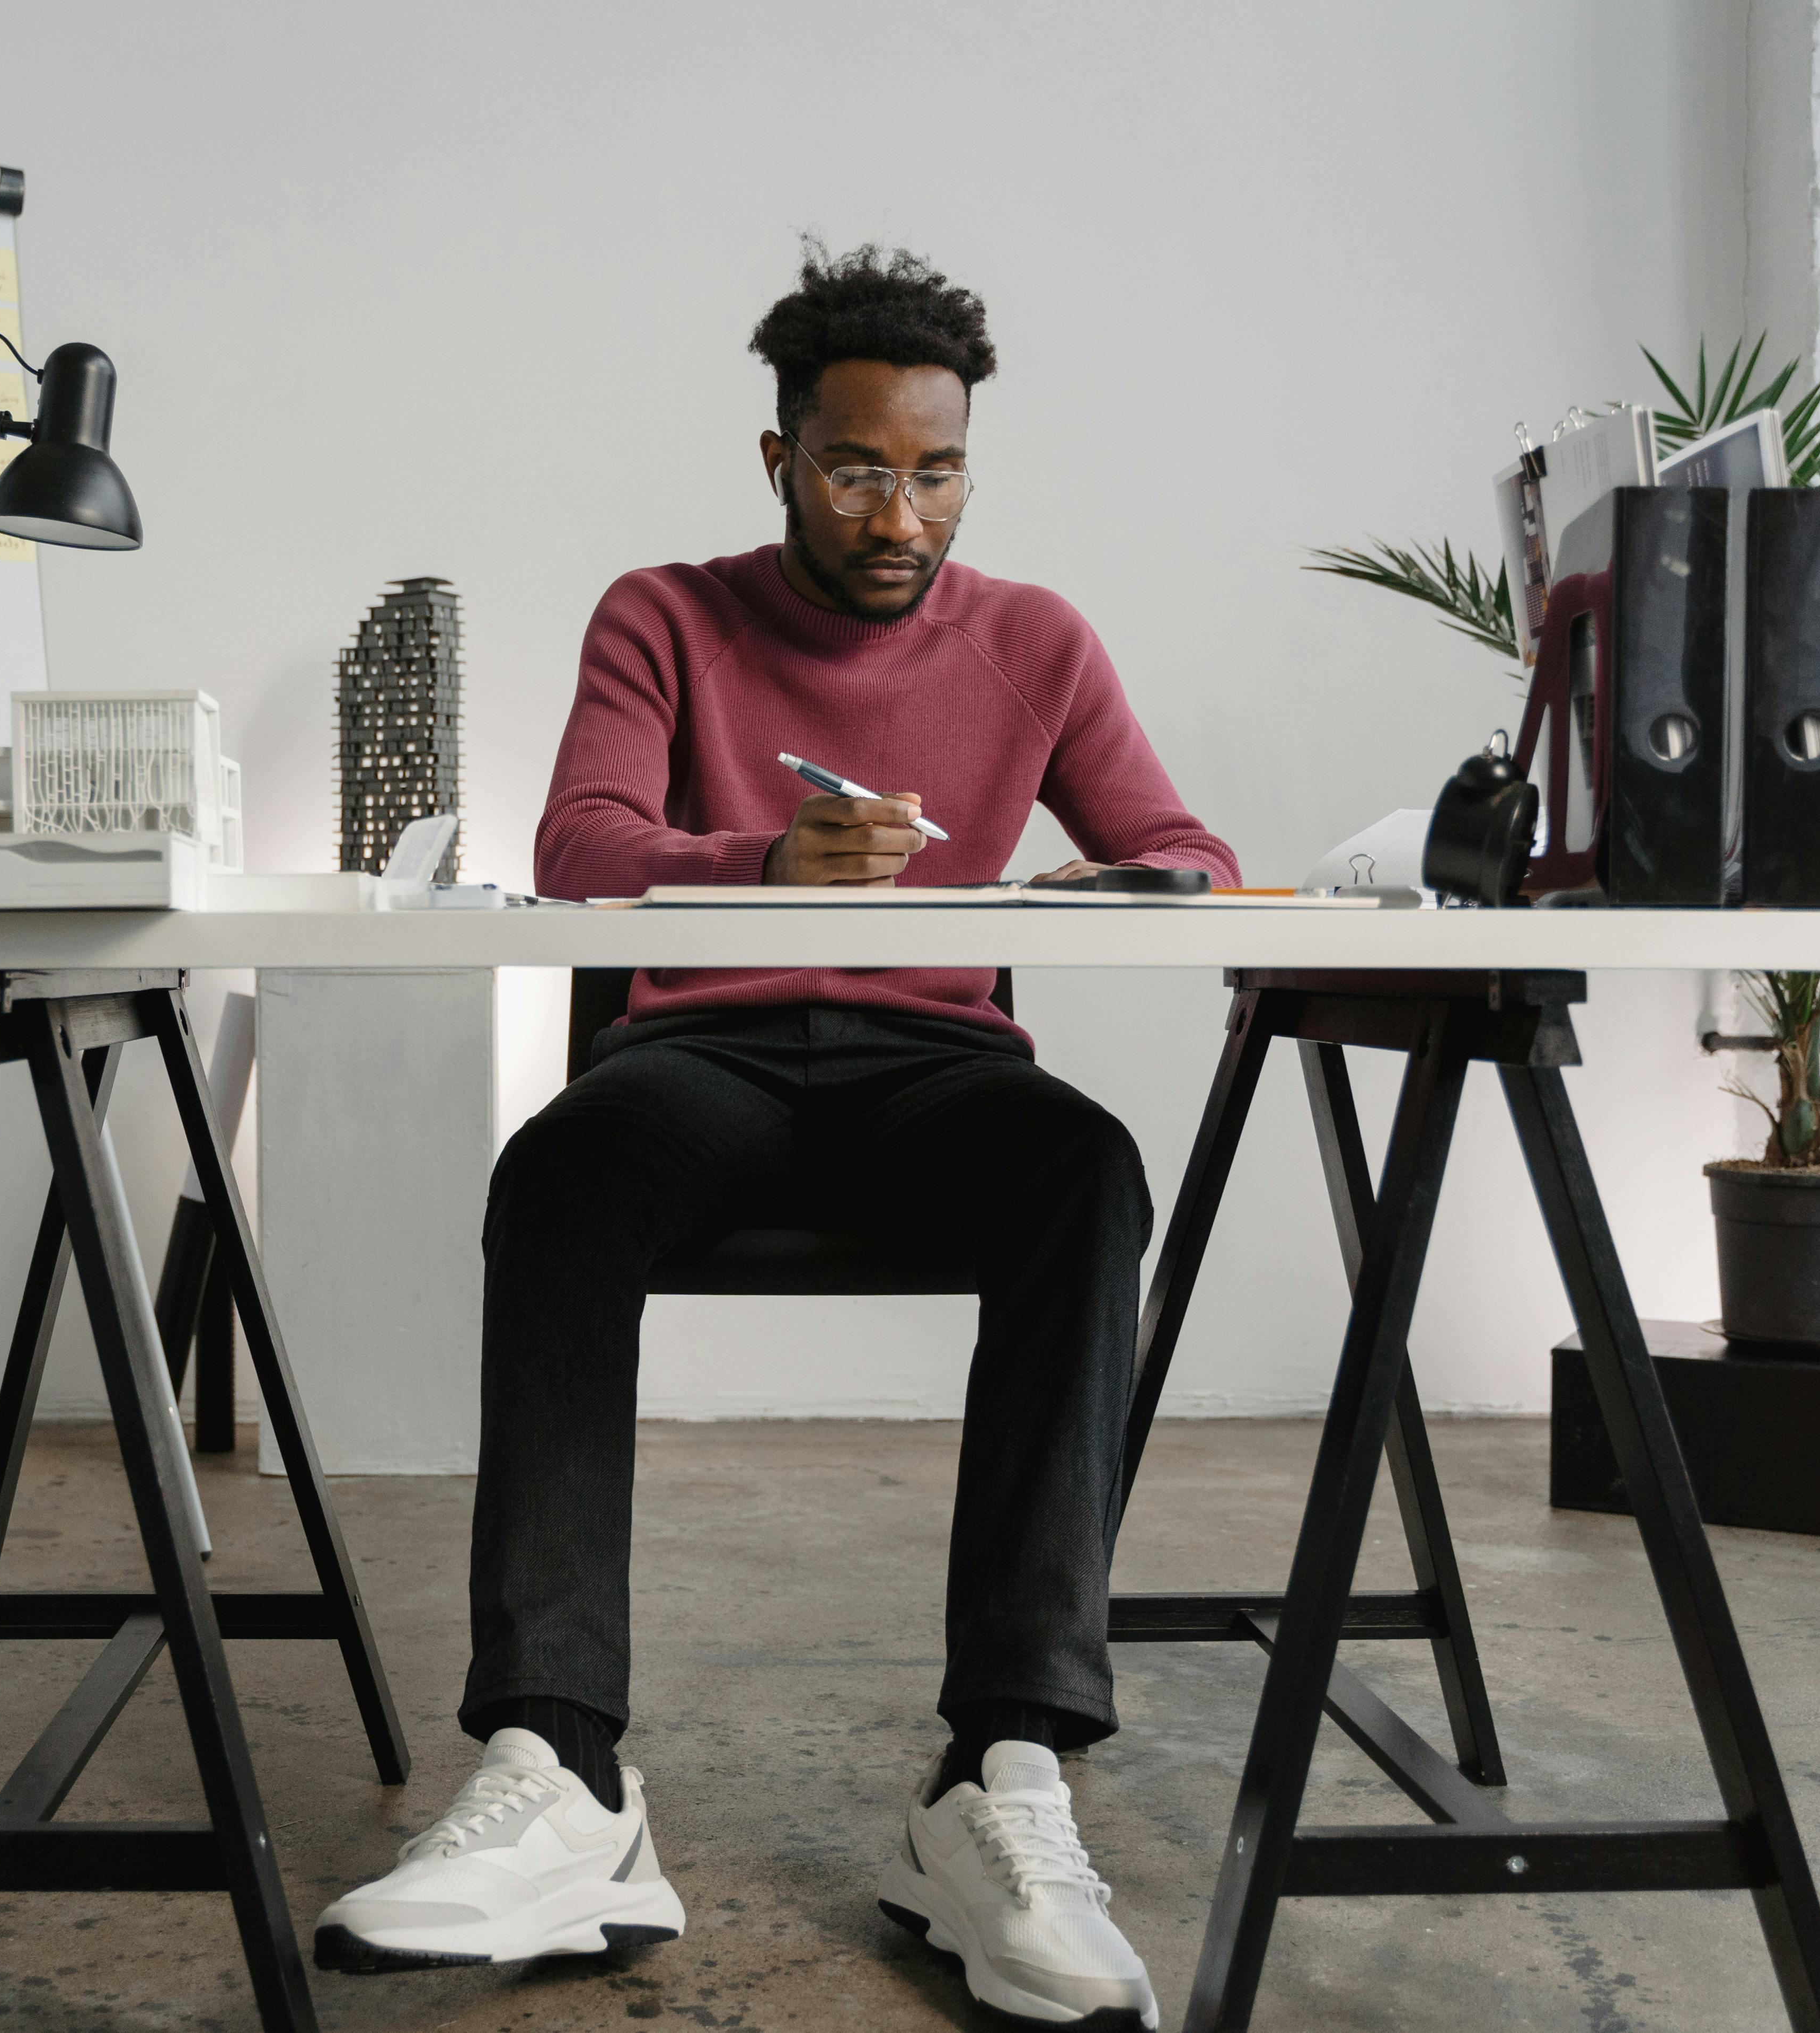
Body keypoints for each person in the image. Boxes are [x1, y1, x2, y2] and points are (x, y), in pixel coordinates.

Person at [313, 242, 1236, 2030]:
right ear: (780, 459)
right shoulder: (665, 610)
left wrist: (1122, 876)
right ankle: (559, 1762)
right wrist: (760, 863)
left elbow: (1183, 841)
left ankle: (1004, 1768)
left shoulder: (1038, 637)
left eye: (940, 469)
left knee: (1087, 1168)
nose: (904, 513)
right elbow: (578, 841)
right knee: (564, 1169)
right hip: (709, 1063)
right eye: (860, 467)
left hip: (931, 1066)